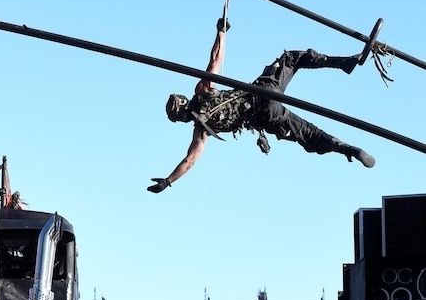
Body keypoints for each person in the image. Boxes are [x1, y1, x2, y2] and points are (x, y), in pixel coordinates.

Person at [148, 17, 375, 194]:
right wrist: (221, 31)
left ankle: (348, 149)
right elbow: (215, 59)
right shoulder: (203, 92)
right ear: (184, 100)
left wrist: (168, 181)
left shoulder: (200, 132)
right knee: (291, 59)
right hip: (262, 91)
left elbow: (190, 160)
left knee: (308, 134)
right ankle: (344, 62)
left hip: (267, 116)